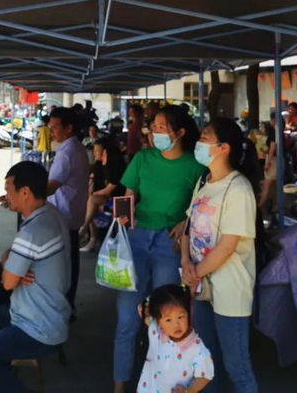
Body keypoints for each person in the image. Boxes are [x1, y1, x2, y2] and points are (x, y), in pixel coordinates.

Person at [114, 104, 204, 393]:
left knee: (167, 319)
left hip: (170, 245)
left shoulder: (195, 166)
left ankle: (166, 383)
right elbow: (128, 196)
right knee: (127, 319)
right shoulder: (142, 158)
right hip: (136, 240)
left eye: (161, 128)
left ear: (180, 133)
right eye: (153, 128)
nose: (154, 133)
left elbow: (202, 206)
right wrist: (123, 218)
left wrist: (186, 221)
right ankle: (119, 384)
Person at [0, 161, 71, 393]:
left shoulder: (32, 231)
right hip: (50, 314)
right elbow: (9, 260)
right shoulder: (50, 214)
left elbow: (7, 282)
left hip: (37, 327)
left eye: (8, 189)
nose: (6, 196)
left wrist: (11, 271)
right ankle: (2, 369)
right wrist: (10, 267)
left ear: (25, 192)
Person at [181, 117, 259, 393]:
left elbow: (227, 246)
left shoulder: (238, 189)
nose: (199, 142)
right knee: (206, 361)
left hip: (230, 289)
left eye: (205, 137)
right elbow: (188, 225)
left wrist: (194, 273)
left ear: (223, 148)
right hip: (201, 285)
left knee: (236, 365)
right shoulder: (204, 181)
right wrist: (185, 262)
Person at [47, 106, 89, 310]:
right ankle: (67, 305)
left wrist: (22, 195)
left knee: (64, 265)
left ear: (69, 127)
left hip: (64, 214)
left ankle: (64, 307)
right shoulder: (74, 147)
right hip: (71, 212)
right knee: (70, 261)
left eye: (56, 127)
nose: (52, 131)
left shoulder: (68, 153)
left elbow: (51, 186)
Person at [138, 284, 214, 393]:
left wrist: (188, 391)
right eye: (168, 320)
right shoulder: (157, 331)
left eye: (180, 317)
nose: (176, 325)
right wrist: (148, 305)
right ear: (158, 321)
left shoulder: (197, 348)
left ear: (189, 313)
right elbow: (143, 310)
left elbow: (205, 376)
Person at [79, 137, 126, 252]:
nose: (94, 153)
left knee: (92, 201)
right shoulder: (99, 166)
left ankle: (86, 230)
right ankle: (90, 235)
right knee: (90, 203)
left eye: (97, 151)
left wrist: (93, 194)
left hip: (119, 201)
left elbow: (109, 189)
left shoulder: (116, 164)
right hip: (106, 200)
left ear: (105, 151)